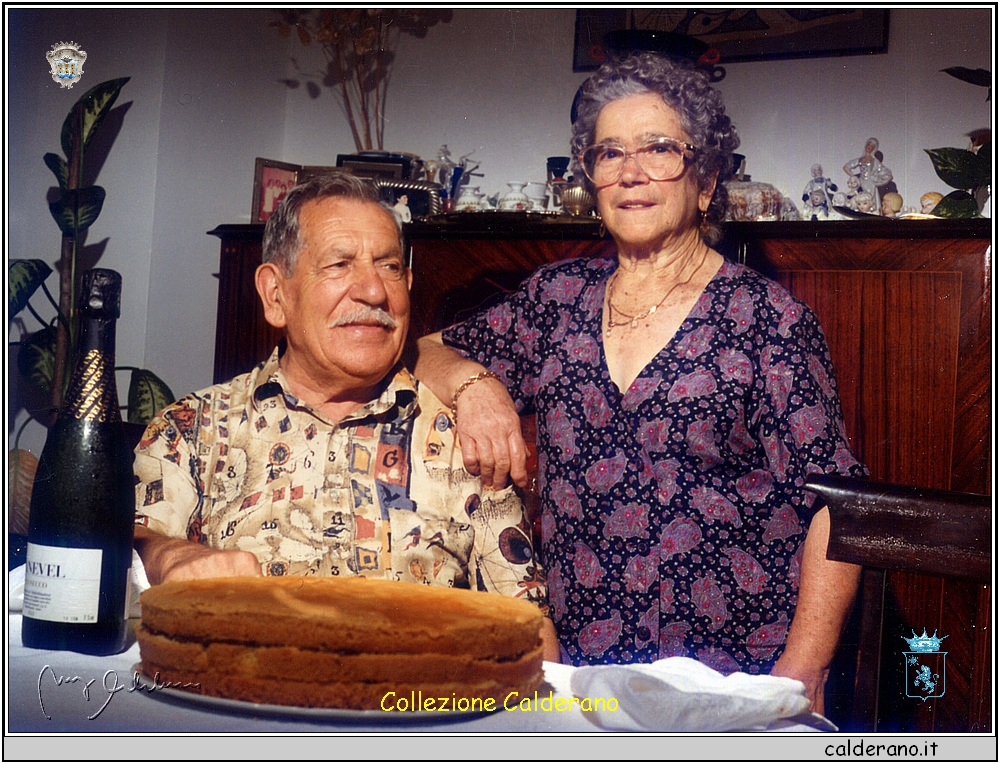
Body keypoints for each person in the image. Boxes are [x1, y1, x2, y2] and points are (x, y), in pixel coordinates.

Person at [414, 53, 867, 712]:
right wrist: (477, 383)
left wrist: (801, 674)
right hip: (579, 676)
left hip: (732, 681)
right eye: (609, 153)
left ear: (706, 179)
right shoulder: (558, 297)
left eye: (659, 149)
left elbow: (837, 501)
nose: (631, 172)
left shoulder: (765, 318)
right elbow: (426, 353)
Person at [132, 174, 557, 657]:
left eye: (390, 267)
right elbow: (131, 549)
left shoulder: (465, 438)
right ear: (275, 295)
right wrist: (168, 555)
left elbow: (532, 633)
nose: (374, 291)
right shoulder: (191, 429)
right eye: (339, 264)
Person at [843, 137, 892, 210]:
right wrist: (853, 177)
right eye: (869, 144)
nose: (869, 147)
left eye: (872, 146)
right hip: (862, 183)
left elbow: (887, 174)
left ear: (874, 149)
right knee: (859, 199)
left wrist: (881, 181)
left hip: (870, 184)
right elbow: (846, 167)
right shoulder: (860, 159)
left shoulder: (874, 161)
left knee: (870, 200)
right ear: (866, 145)